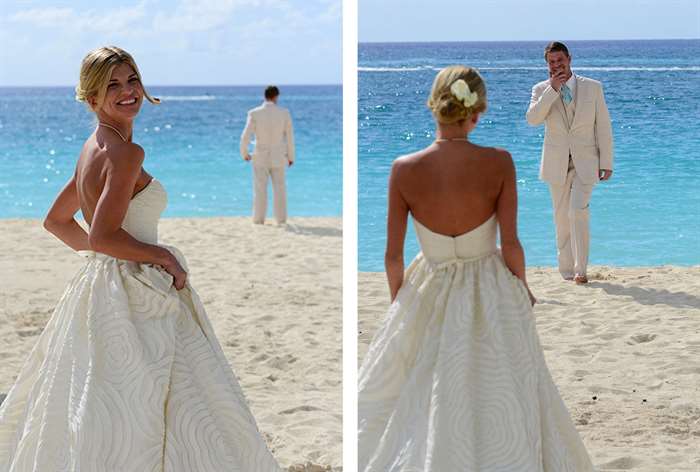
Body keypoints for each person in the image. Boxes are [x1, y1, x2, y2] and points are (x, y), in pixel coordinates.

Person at [0, 46, 281, 471]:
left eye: (132, 80)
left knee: (104, 400)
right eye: (112, 85)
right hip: (136, 291)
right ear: (91, 98)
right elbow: (103, 234)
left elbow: (57, 222)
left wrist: (104, 260)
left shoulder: (93, 145)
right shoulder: (127, 154)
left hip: (100, 288)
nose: (128, 91)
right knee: (167, 397)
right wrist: (160, 255)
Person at [358, 65, 595, 471]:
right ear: (478, 110)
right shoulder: (498, 162)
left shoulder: (403, 168)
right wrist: (523, 287)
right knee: (501, 386)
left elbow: (392, 255)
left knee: (417, 392)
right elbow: (511, 242)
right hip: (488, 286)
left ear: (434, 106)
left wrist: (400, 301)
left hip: (428, 283)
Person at [526, 41, 614, 284]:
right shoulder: (540, 89)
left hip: (587, 162)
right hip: (556, 164)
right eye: (551, 62)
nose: (556, 65)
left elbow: (603, 126)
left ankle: (580, 270)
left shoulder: (593, 88)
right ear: (547, 64)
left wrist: (606, 162)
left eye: (560, 60)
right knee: (561, 218)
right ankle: (566, 270)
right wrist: (552, 91)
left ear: (569, 59)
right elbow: (533, 119)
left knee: (577, 210)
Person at [240, 86, 295, 225]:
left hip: (260, 156)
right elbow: (289, 137)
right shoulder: (284, 113)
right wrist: (291, 157)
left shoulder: (254, 113)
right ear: (276, 96)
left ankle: (258, 219)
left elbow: (246, 136)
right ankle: (281, 220)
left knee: (260, 189)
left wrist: (244, 153)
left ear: (265, 96)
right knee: (280, 189)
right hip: (278, 156)